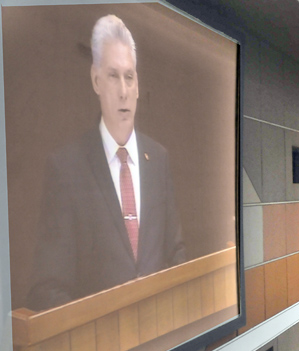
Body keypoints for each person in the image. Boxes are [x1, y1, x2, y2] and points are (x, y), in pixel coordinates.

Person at [28, 15, 186, 311]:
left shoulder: (159, 160)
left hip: (162, 339)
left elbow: (176, 253)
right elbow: (47, 288)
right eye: (113, 76)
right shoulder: (66, 168)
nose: (123, 91)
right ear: (96, 80)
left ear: (138, 84)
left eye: (129, 76)